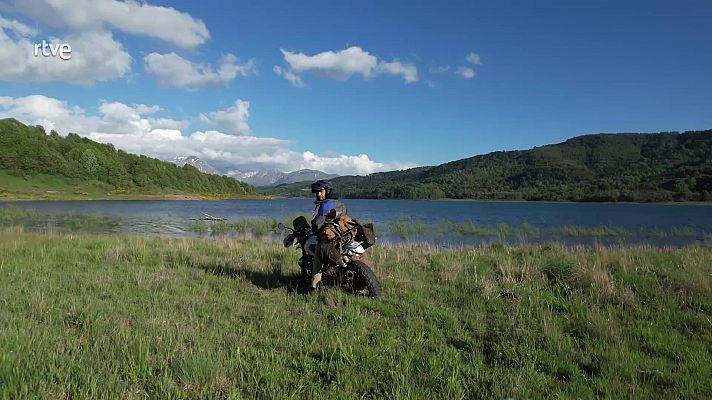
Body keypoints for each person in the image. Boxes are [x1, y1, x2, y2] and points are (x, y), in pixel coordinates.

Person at [309, 179, 347, 291]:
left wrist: (315, 230)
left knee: (317, 259)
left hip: (330, 238)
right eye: (316, 192)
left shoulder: (325, 204)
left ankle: (313, 288)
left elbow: (317, 223)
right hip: (343, 235)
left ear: (327, 191)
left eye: (320, 191)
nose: (318, 194)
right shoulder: (340, 203)